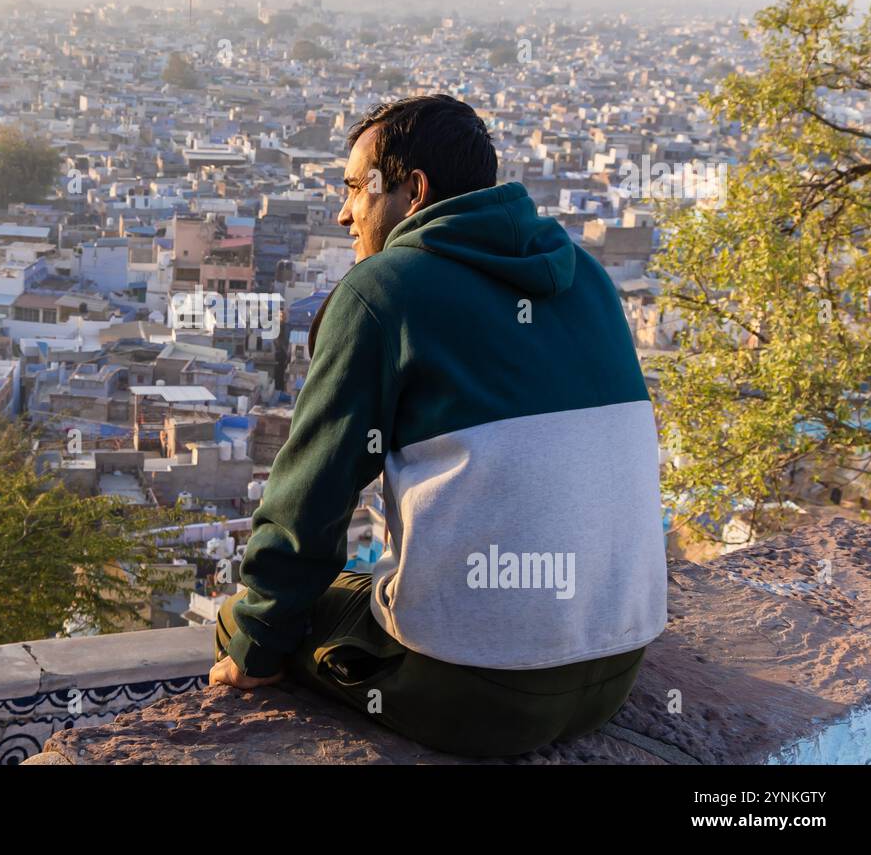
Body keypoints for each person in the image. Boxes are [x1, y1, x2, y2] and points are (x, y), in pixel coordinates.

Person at [209, 94, 667, 757]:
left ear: (413, 191)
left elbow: (306, 507)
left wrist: (253, 644)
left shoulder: (383, 292)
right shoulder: (587, 276)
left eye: (355, 191)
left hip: (477, 692)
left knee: (241, 617)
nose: (344, 213)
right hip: (617, 670)